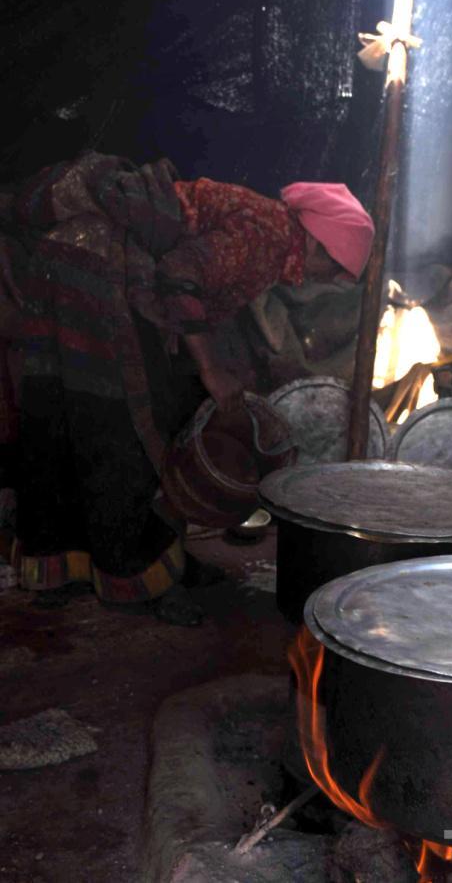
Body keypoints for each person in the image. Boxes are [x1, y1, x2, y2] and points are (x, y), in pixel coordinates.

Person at [9, 152, 374, 625]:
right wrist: (211, 370)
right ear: (321, 245)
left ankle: (83, 563)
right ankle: (137, 576)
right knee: (124, 430)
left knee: (74, 417)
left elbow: (202, 286)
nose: (328, 281)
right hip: (95, 269)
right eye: (335, 271)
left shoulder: (271, 232)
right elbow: (178, 277)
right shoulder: (268, 237)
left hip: (75, 264)